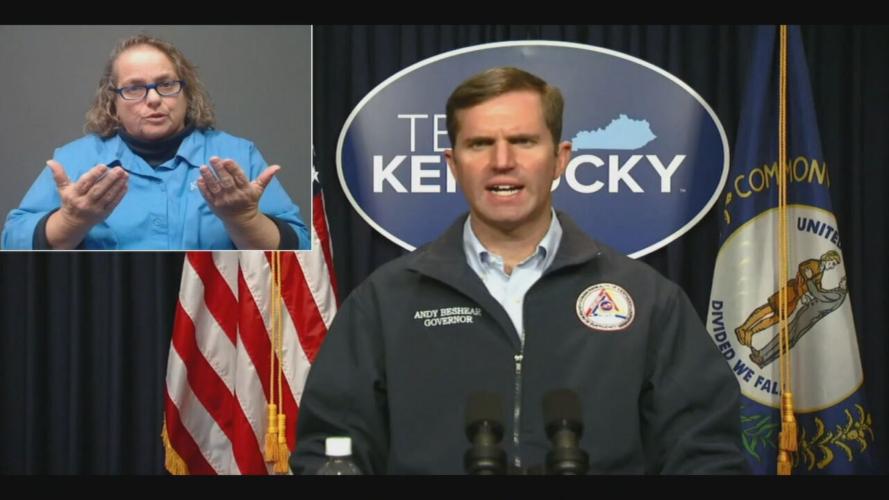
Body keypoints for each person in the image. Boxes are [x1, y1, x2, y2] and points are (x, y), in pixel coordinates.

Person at [291, 67, 748, 474]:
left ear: (561, 158)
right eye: (479, 144)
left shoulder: (649, 301)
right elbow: (331, 448)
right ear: (453, 164)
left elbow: (705, 453)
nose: (502, 161)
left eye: (523, 141)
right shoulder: (384, 301)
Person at [1, 35, 308, 250]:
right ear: (113, 102)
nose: (153, 99)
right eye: (134, 88)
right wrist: (69, 222)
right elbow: (11, 243)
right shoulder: (73, 161)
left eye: (166, 84)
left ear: (188, 93)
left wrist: (246, 220)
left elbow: (302, 249)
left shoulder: (238, 155)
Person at [735, 250, 841, 348]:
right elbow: (800, 276)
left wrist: (827, 293)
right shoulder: (813, 264)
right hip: (791, 291)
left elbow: (818, 288)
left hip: (796, 298)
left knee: (777, 318)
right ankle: (743, 328)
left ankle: (751, 332)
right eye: (832, 263)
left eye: (834, 265)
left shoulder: (821, 273)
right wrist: (803, 294)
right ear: (827, 258)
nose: (832, 267)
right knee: (769, 308)